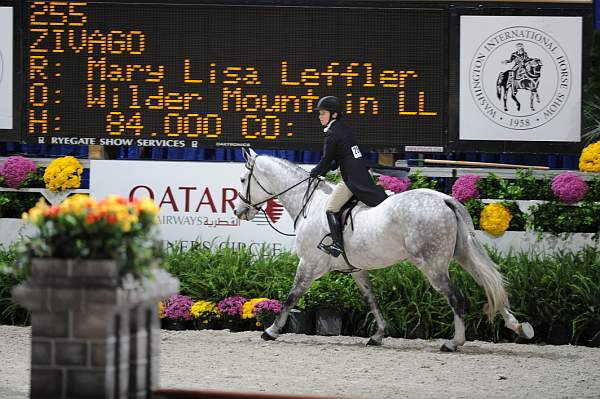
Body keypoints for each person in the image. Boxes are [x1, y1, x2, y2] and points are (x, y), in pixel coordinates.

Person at [309, 96, 388, 257]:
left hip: (352, 177)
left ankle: (337, 245)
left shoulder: (331, 133)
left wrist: (315, 172)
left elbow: (326, 159)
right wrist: (327, 168)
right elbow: (341, 156)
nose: (319, 116)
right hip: (361, 170)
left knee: (331, 209)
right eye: (320, 113)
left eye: (323, 113)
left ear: (334, 115)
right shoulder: (344, 128)